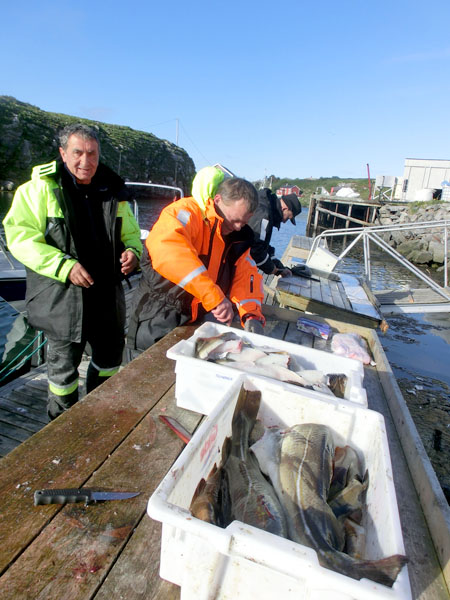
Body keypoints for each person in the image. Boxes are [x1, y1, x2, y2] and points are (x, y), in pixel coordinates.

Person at [3, 123, 143, 419]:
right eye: (77, 152)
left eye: (92, 153)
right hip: (63, 300)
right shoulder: (38, 190)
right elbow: (20, 238)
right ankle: (62, 428)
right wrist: (63, 266)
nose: (85, 161)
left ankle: (99, 416)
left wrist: (134, 252)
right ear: (62, 153)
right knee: (63, 375)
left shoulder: (112, 190)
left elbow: (131, 235)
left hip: (106, 296)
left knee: (108, 362)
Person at [127, 176, 265, 358]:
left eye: (244, 222)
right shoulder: (184, 212)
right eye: (235, 220)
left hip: (193, 321)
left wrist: (251, 315)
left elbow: (246, 276)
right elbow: (169, 251)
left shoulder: (237, 237)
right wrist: (213, 296)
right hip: (156, 316)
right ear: (218, 200)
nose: (239, 228)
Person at [248, 188, 302, 277]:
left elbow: (261, 244)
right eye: (288, 217)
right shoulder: (264, 215)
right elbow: (256, 249)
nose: (284, 222)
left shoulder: (268, 207)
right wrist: (273, 270)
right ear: (285, 208)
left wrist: (279, 267)